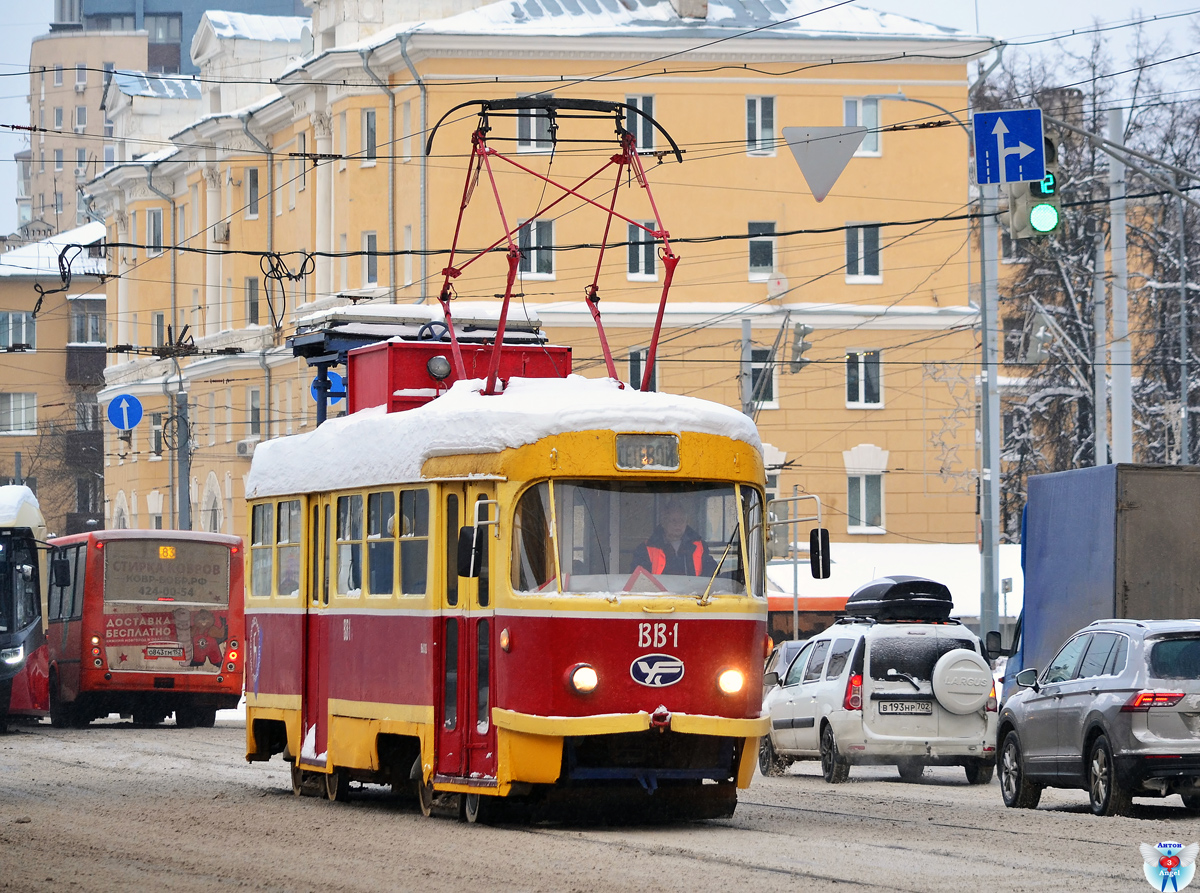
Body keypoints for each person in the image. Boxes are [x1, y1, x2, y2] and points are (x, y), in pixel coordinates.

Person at [631, 500, 718, 577]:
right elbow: (639, 580)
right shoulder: (646, 548)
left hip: (693, 595)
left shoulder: (700, 546)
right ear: (663, 522)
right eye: (673, 520)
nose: (678, 524)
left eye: (681, 520)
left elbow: (712, 575)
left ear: (686, 522)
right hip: (659, 595)